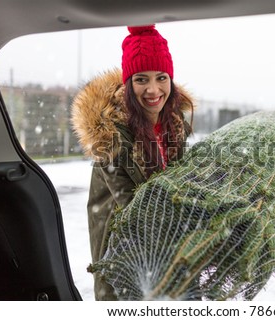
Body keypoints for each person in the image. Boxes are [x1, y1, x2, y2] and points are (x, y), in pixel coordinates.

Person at [71, 25, 195, 300]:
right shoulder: (112, 137)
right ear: (128, 83)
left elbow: (178, 185)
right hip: (120, 254)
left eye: (161, 77)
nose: (153, 90)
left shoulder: (173, 126)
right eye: (141, 79)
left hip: (161, 253)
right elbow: (138, 209)